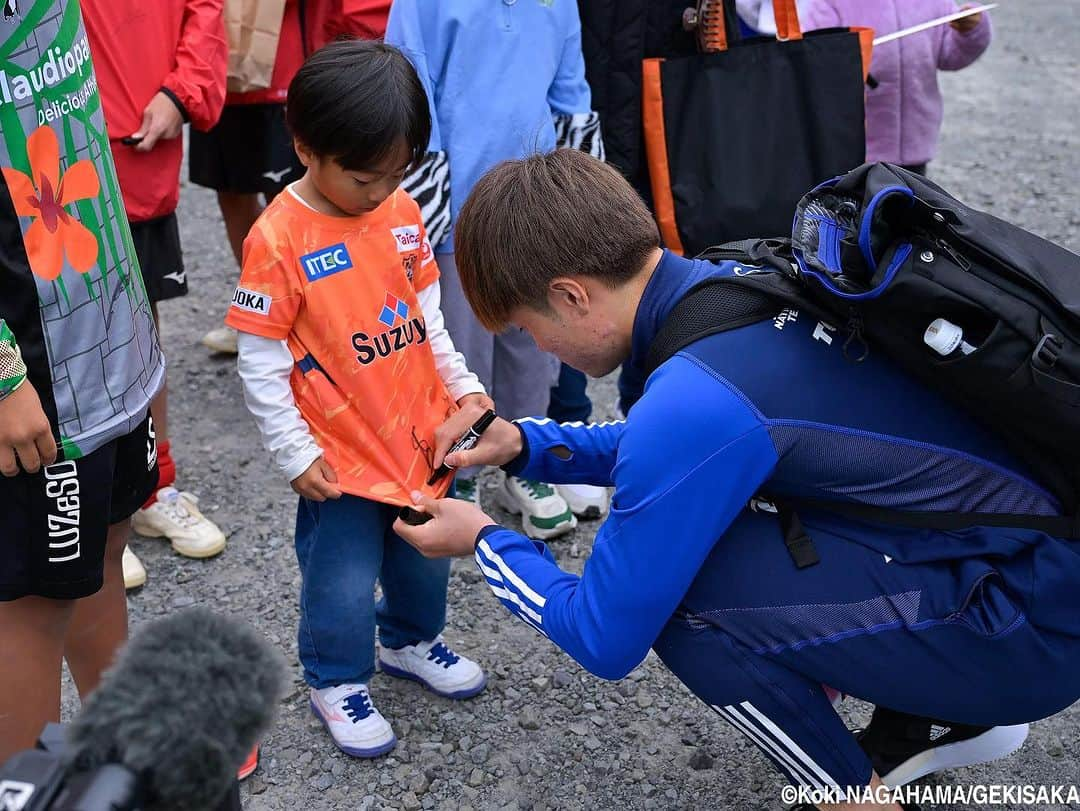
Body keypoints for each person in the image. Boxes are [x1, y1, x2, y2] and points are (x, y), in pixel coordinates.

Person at [394, 150, 1080, 810]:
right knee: (719, 521)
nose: (540, 350)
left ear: (571, 295)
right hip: (1032, 556)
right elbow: (684, 451)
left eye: (527, 328)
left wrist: (484, 539)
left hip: (1023, 629)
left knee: (680, 596)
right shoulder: (731, 274)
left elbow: (604, 635)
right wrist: (524, 445)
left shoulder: (694, 402)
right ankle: (929, 707)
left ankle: (854, 797)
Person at [225, 40, 491, 758]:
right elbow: (260, 355)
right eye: (362, 176)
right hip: (338, 458)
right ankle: (336, 676)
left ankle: (411, 639)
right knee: (339, 580)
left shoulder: (403, 211)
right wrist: (292, 449)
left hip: (419, 437)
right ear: (306, 146)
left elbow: (426, 313)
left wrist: (461, 385)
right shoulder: (278, 237)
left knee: (422, 559)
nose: (378, 191)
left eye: (394, 173)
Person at [0, 0, 163, 763]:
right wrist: (2, 373)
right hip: (27, 361)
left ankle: (124, 753)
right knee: (32, 601)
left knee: (105, 546)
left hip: (106, 322)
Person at [386, 0, 608, 535]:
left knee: (534, 342)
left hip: (536, 205)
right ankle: (456, 467)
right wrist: (427, 203)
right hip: (454, 204)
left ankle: (521, 463)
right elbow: (407, 94)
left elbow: (569, 91)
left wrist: (578, 193)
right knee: (459, 345)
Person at [81, 0, 230, 585]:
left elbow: (204, 9)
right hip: (49, 164)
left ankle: (152, 488)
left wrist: (181, 91)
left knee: (140, 325)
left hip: (137, 148)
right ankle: (90, 510)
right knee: (66, 337)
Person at [193, 0, 392, 356]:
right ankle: (263, 307)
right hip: (222, 70)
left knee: (295, 205)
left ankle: (317, 317)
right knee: (231, 193)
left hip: (290, 68)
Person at [801, 1, 992, 175]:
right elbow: (813, 57)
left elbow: (950, 55)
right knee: (857, 208)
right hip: (855, 145)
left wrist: (970, 31)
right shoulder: (830, 3)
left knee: (908, 207)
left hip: (914, 141)